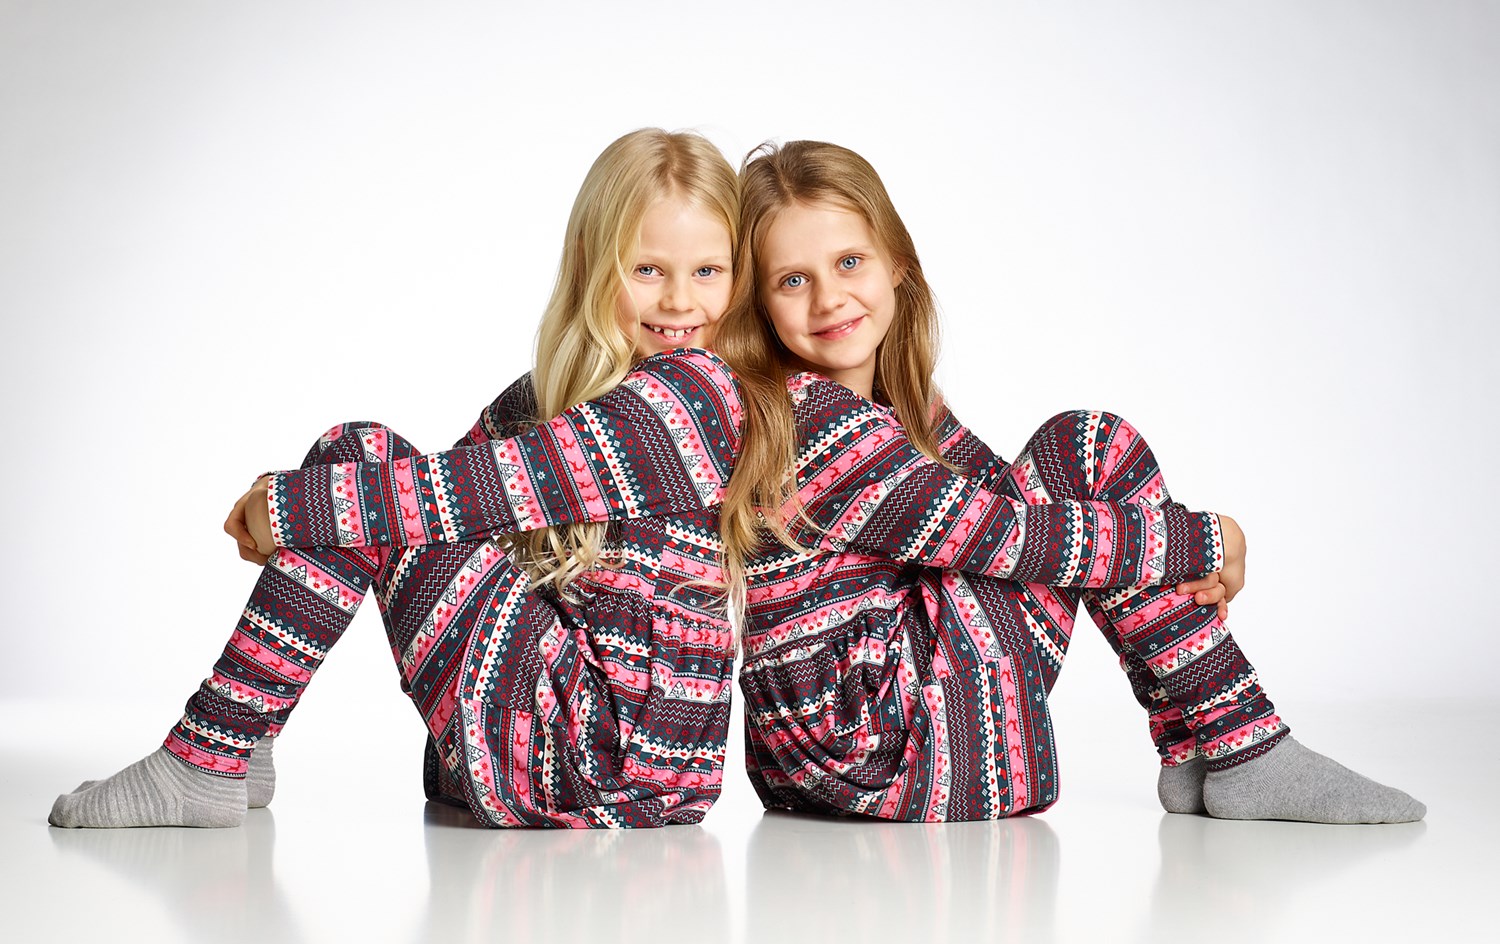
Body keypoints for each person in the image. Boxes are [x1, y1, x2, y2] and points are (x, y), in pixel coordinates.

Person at [49, 128, 745, 829]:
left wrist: (288, 506)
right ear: (593, 264)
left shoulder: (695, 395)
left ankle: (211, 753)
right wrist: (306, 511)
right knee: (363, 479)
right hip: (585, 747)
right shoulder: (557, 395)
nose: (680, 300)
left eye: (708, 272)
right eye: (647, 269)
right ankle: (238, 747)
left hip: (608, 766)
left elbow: (443, 496)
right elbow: (426, 510)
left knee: (360, 469)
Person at [715, 139, 1425, 824]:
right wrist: (1205, 540)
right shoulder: (811, 418)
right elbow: (1009, 537)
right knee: (1089, 449)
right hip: (878, 753)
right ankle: (1242, 746)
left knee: (1090, 474)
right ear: (760, 304)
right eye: (793, 280)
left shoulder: (898, 408)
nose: (829, 298)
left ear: (897, 263)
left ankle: (1206, 751)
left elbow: (1013, 501)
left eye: (849, 262)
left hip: (827, 760)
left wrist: (1153, 546)